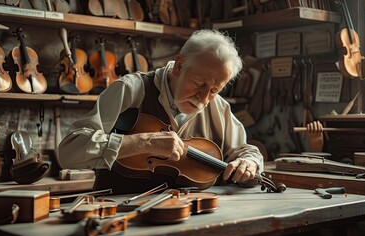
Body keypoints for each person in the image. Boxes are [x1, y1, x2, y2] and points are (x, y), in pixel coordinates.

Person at [58, 29, 264, 194]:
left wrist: (250, 162)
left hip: (187, 218)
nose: (203, 98)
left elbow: (247, 151)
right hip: (117, 217)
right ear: (179, 66)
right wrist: (143, 142)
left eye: (214, 90)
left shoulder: (217, 106)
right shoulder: (130, 90)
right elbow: (69, 151)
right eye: (199, 83)